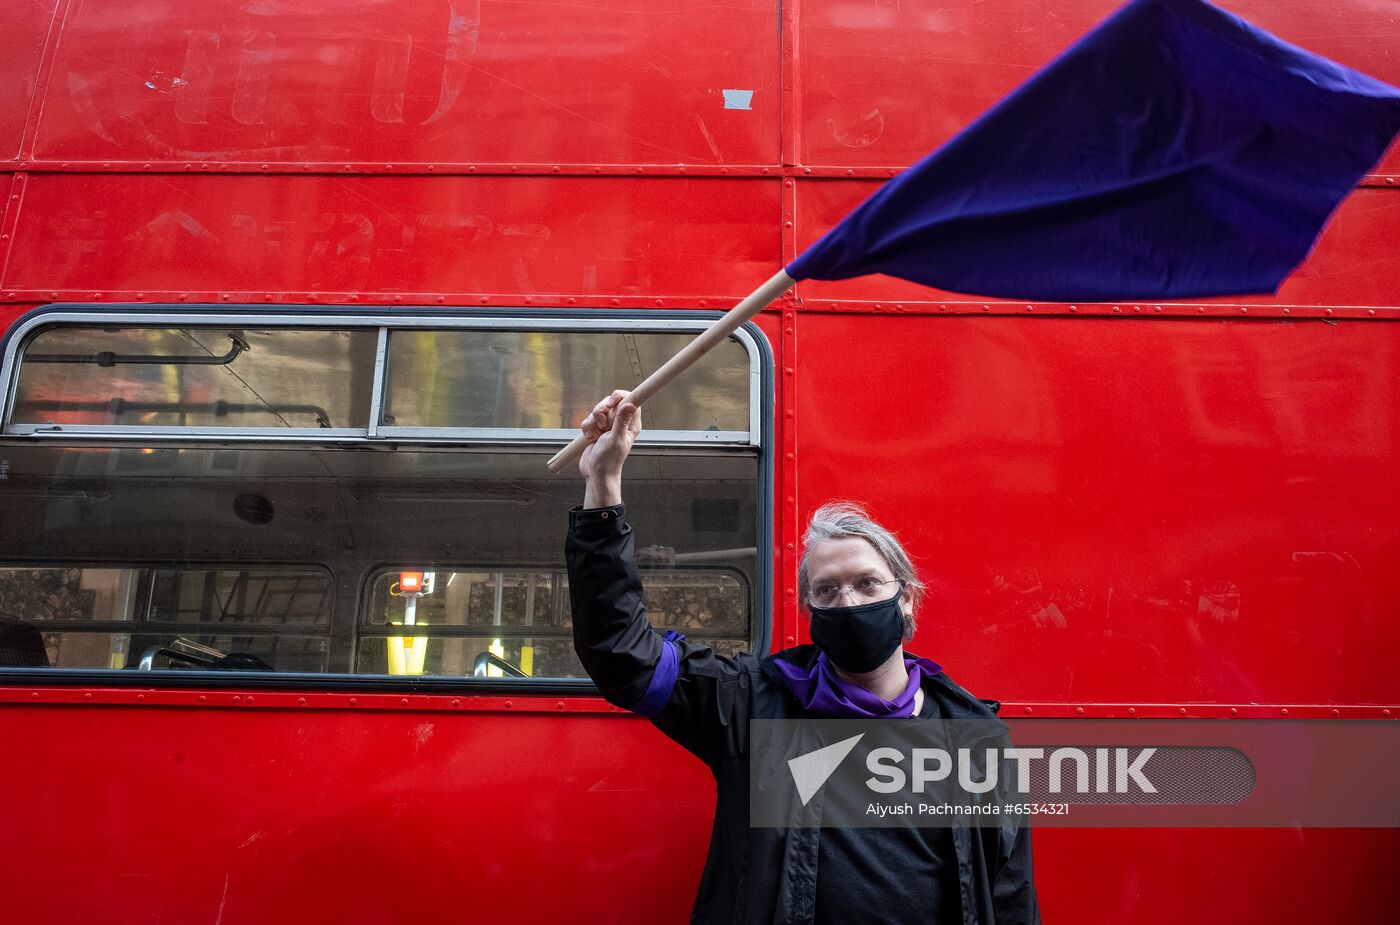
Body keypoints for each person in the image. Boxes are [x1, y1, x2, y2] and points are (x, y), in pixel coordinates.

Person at [565, 391, 1040, 924]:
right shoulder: (753, 706)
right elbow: (622, 655)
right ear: (810, 610)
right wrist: (602, 486)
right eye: (828, 590)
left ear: (905, 597)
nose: (849, 601)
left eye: (867, 584)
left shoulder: (974, 737)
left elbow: (1009, 893)